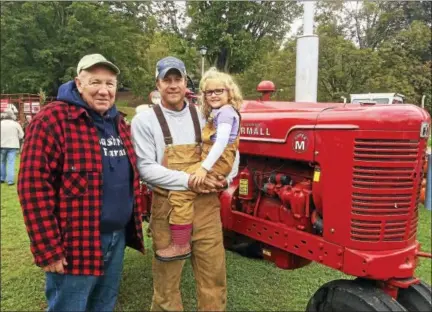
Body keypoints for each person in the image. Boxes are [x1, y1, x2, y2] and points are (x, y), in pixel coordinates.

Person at [17, 53, 145, 312]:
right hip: (75, 241)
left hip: (116, 237)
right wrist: (47, 249)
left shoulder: (118, 123)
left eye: (110, 84)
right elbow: (32, 188)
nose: (103, 90)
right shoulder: (52, 120)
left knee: (103, 306)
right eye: (95, 82)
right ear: (78, 83)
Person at [131, 56, 239, 311]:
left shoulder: (205, 115)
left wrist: (227, 177)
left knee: (213, 279)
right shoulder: (144, 120)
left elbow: (230, 148)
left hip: (206, 209)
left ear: (185, 82)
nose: (172, 85)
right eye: (166, 80)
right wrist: (190, 180)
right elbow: (146, 168)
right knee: (167, 285)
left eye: (177, 79)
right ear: (157, 84)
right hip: (167, 208)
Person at [154, 67, 242, 261]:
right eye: (209, 92)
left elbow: (221, 144)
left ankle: (180, 244)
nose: (213, 95)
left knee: (180, 190)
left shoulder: (225, 114)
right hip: (214, 161)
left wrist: (204, 169)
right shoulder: (216, 113)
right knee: (183, 182)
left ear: (229, 92)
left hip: (216, 162)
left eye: (219, 91)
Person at [1, 108, 24, 185]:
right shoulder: (16, 124)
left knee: (2, 162)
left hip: (1, 145)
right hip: (13, 145)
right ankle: (10, 181)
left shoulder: (1, 123)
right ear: (12, 115)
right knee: (11, 163)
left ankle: (2, 178)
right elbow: (22, 135)